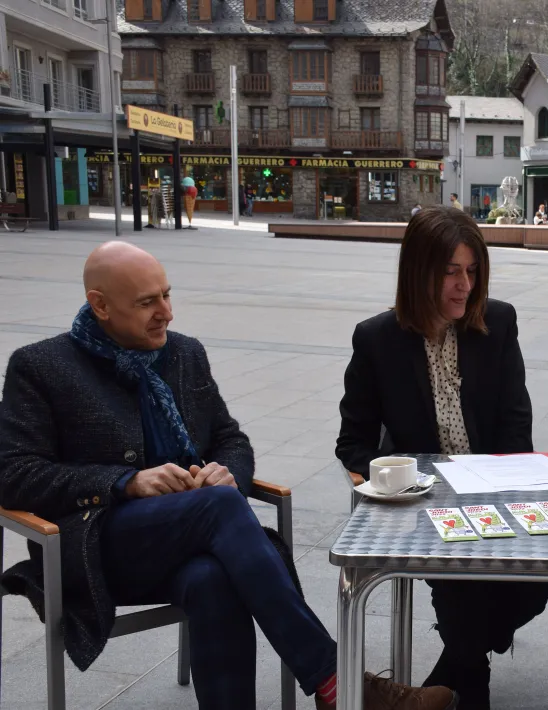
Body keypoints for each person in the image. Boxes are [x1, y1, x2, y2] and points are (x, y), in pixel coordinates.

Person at [0, 242, 456, 710]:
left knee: (212, 576)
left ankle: (334, 688)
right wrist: (124, 481)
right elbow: (13, 474)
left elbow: (230, 440)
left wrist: (228, 473)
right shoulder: (41, 367)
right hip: (98, 550)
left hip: (189, 541)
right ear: (100, 305)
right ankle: (336, 682)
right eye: (147, 302)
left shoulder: (184, 355)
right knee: (217, 509)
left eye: (167, 295)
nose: (167, 313)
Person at [336, 207, 548, 709]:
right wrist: (391, 478)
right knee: (462, 587)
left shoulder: (498, 322)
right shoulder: (377, 340)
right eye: (450, 272)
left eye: (472, 271)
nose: (464, 286)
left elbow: (516, 423)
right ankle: (468, 685)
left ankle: (437, 685)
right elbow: (354, 443)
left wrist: (509, 479)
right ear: (419, 273)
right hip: (422, 506)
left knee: (533, 586)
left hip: (494, 493)